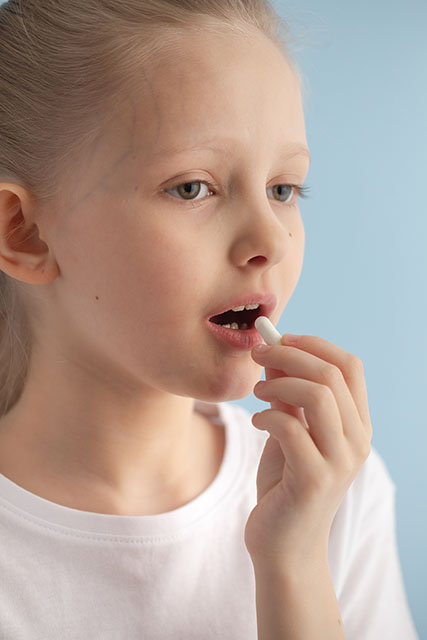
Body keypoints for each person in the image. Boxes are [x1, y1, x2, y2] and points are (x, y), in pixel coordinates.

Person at [0, 1, 418, 638]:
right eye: (192, 188)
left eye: (283, 189)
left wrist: (295, 564)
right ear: (24, 234)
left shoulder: (333, 496)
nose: (270, 241)